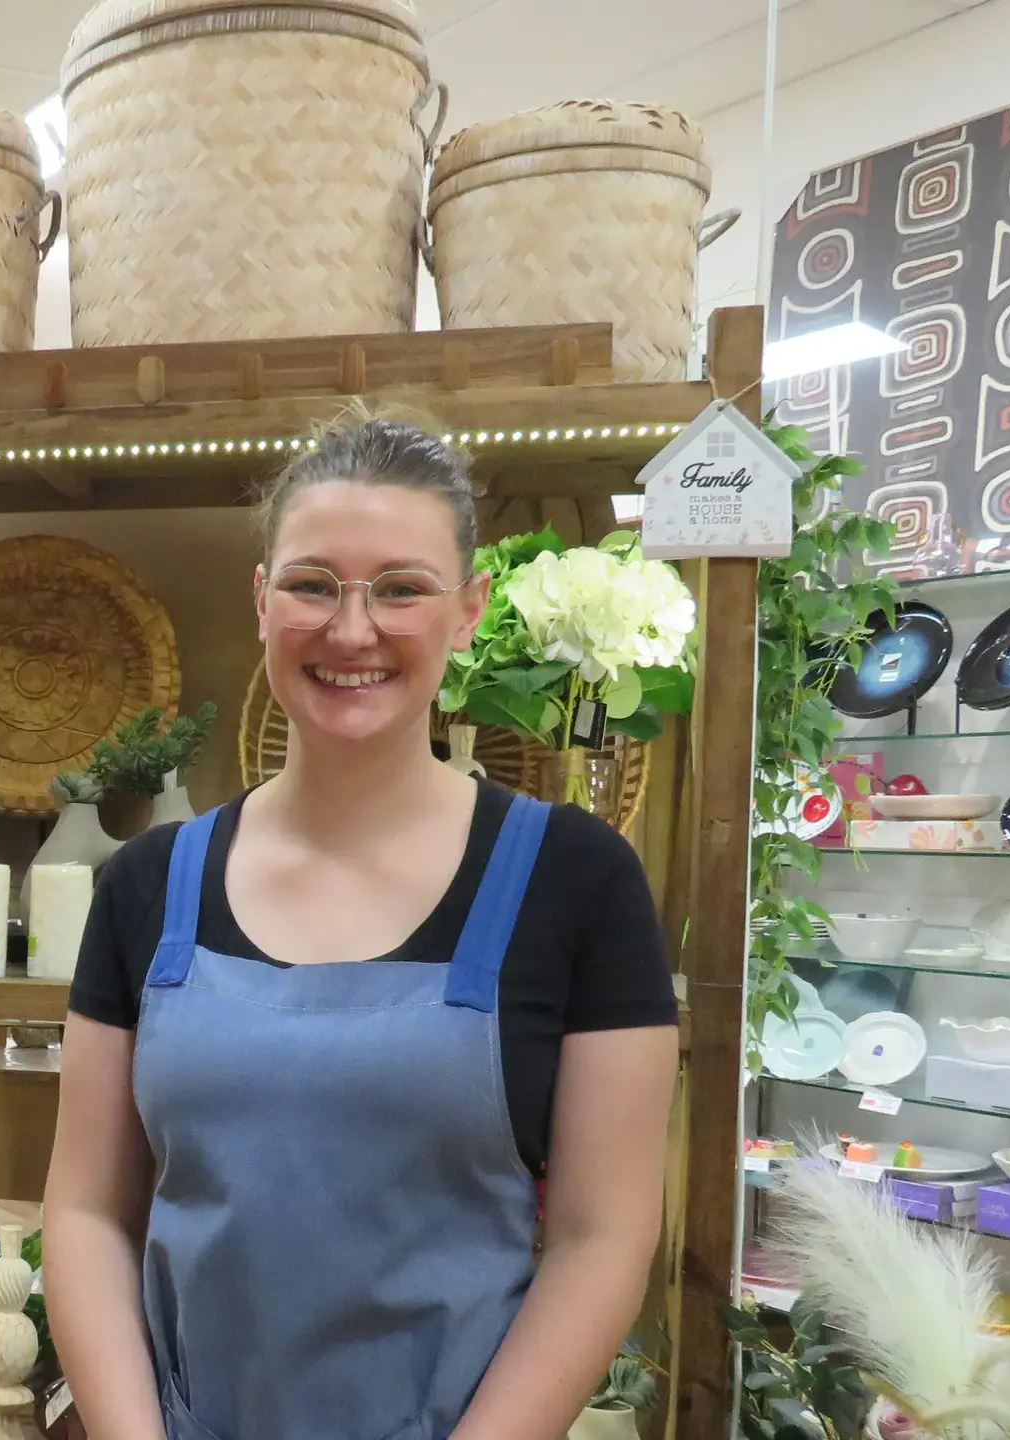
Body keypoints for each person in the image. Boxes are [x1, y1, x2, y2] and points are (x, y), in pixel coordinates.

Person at [42, 416, 678, 1440]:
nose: (351, 630)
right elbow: (82, 1212)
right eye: (311, 585)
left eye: (399, 587)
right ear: (261, 603)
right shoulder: (148, 885)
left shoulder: (575, 880)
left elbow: (603, 1238)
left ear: (466, 611)